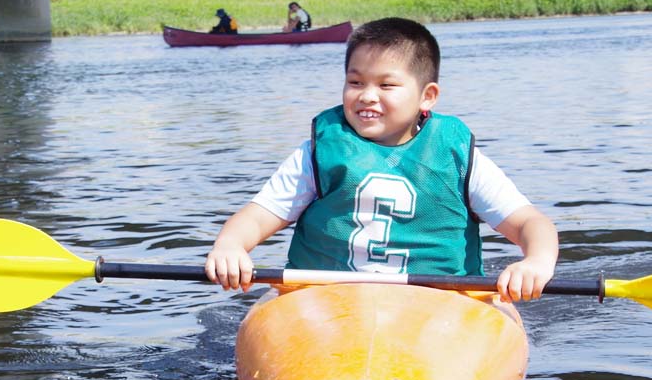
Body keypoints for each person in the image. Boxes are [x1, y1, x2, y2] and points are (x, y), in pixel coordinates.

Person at [205, 17, 558, 303]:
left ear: (427, 96)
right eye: (355, 82)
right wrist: (230, 246)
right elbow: (257, 216)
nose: (367, 96)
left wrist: (536, 262)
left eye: (386, 86)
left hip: (440, 304)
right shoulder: (316, 153)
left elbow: (529, 222)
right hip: (325, 302)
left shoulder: (458, 156)